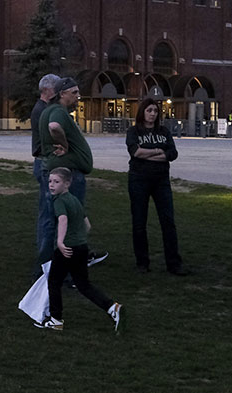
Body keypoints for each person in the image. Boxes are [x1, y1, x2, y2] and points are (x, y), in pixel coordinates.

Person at [35, 167, 123, 333]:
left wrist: (61, 242)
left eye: (56, 182)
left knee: (53, 282)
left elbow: (62, 220)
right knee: (83, 284)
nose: (51, 185)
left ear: (67, 183)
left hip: (66, 249)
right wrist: (79, 239)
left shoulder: (59, 201)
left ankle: (55, 319)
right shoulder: (74, 200)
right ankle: (112, 307)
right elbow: (87, 225)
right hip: (81, 248)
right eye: (50, 181)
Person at [39, 77, 107, 266]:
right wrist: (65, 144)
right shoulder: (58, 112)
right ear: (62, 94)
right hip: (66, 175)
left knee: (55, 220)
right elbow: (54, 127)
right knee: (68, 222)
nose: (78, 96)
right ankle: (65, 270)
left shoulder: (51, 111)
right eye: (74, 92)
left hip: (60, 171)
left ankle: (48, 268)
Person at [125, 98, 187, 275]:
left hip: (161, 180)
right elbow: (135, 152)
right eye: (149, 110)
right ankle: (142, 263)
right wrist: (159, 151)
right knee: (139, 222)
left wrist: (148, 154)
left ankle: (173, 263)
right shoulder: (133, 131)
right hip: (138, 179)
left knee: (168, 221)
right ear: (142, 112)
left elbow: (172, 153)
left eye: (155, 111)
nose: (152, 114)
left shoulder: (164, 131)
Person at [30, 73, 61, 277]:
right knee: (49, 216)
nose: (58, 92)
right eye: (56, 88)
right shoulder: (42, 111)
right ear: (47, 90)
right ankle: (45, 262)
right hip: (44, 163)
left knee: (46, 214)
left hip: (42, 162)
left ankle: (45, 259)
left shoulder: (43, 109)